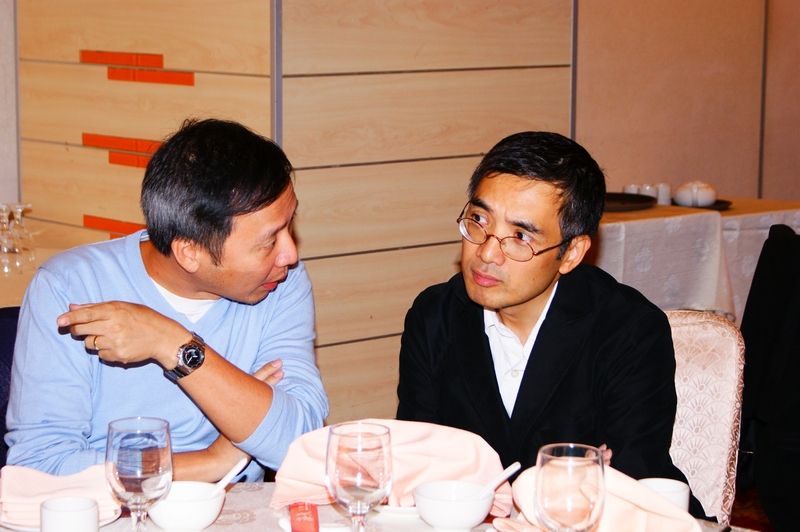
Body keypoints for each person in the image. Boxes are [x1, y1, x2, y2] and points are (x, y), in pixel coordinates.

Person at [5, 118, 328, 481]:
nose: (290, 255)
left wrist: (172, 343)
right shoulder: (70, 287)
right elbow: (38, 469)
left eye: (290, 224)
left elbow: (299, 443)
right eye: (269, 241)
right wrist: (210, 462)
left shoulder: (280, 283)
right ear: (190, 252)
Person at [397, 132, 691, 494]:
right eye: (479, 219)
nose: (486, 253)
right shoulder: (433, 317)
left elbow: (629, 484)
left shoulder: (630, 331)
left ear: (571, 254)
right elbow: (418, 465)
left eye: (521, 237)